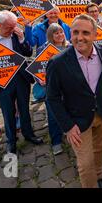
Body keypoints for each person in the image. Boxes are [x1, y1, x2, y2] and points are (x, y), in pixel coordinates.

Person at [46, 14, 102, 188]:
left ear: (95, 35)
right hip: (77, 122)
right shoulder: (57, 62)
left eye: (85, 33)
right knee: (85, 163)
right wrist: (67, 126)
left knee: (99, 150)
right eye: (75, 32)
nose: (79, 37)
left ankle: (98, 177)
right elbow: (52, 98)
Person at [0, 10, 43, 154]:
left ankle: (29, 134)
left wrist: (21, 39)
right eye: (8, 28)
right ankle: (11, 141)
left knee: (24, 109)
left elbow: (28, 53)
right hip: (1, 83)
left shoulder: (16, 35)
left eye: (14, 26)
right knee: (8, 112)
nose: (12, 30)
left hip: (20, 79)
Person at [24, 6, 71, 103]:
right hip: (44, 60)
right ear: (46, 14)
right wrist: (28, 28)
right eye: (50, 13)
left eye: (55, 13)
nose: (53, 15)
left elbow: (68, 43)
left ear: (59, 13)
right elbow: (31, 43)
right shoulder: (38, 27)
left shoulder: (66, 26)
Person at [36, 23, 69, 155]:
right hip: (52, 88)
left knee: (68, 112)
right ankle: (56, 142)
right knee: (53, 115)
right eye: (56, 33)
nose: (60, 35)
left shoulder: (70, 47)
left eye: (61, 32)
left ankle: (69, 133)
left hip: (68, 87)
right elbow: (37, 68)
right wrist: (39, 79)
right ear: (50, 35)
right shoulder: (43, 49)